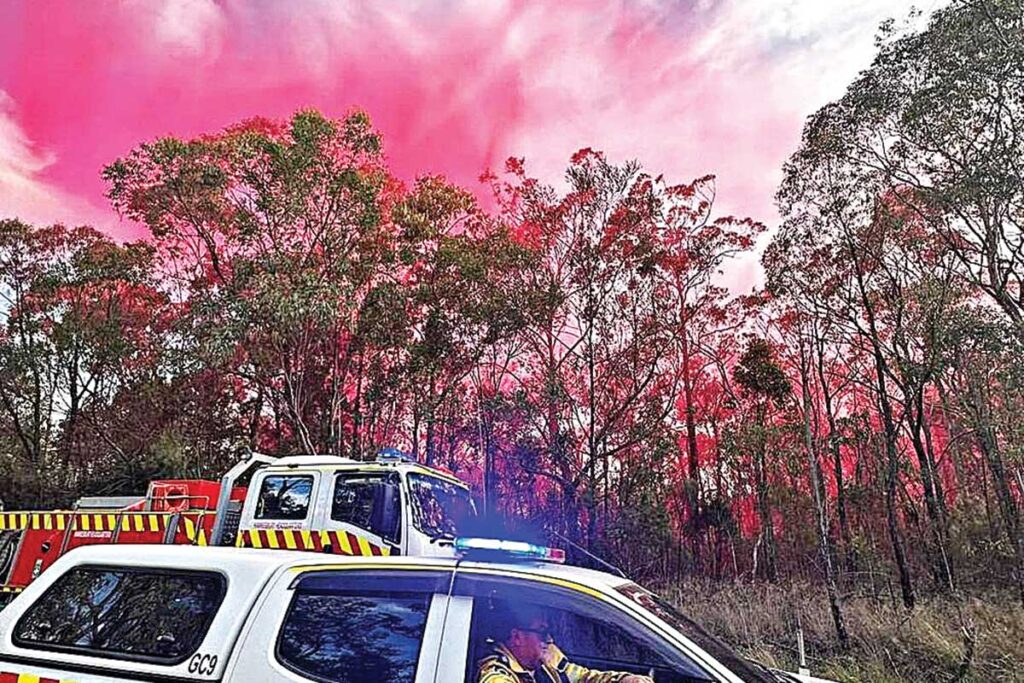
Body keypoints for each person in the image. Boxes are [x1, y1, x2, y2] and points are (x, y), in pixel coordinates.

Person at [476, 603, 654, 683]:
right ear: (517, 637)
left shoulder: (545, 658)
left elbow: (582, 678)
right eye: (542, 633)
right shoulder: (496, 676)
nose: (549, 640)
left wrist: (624, 680)